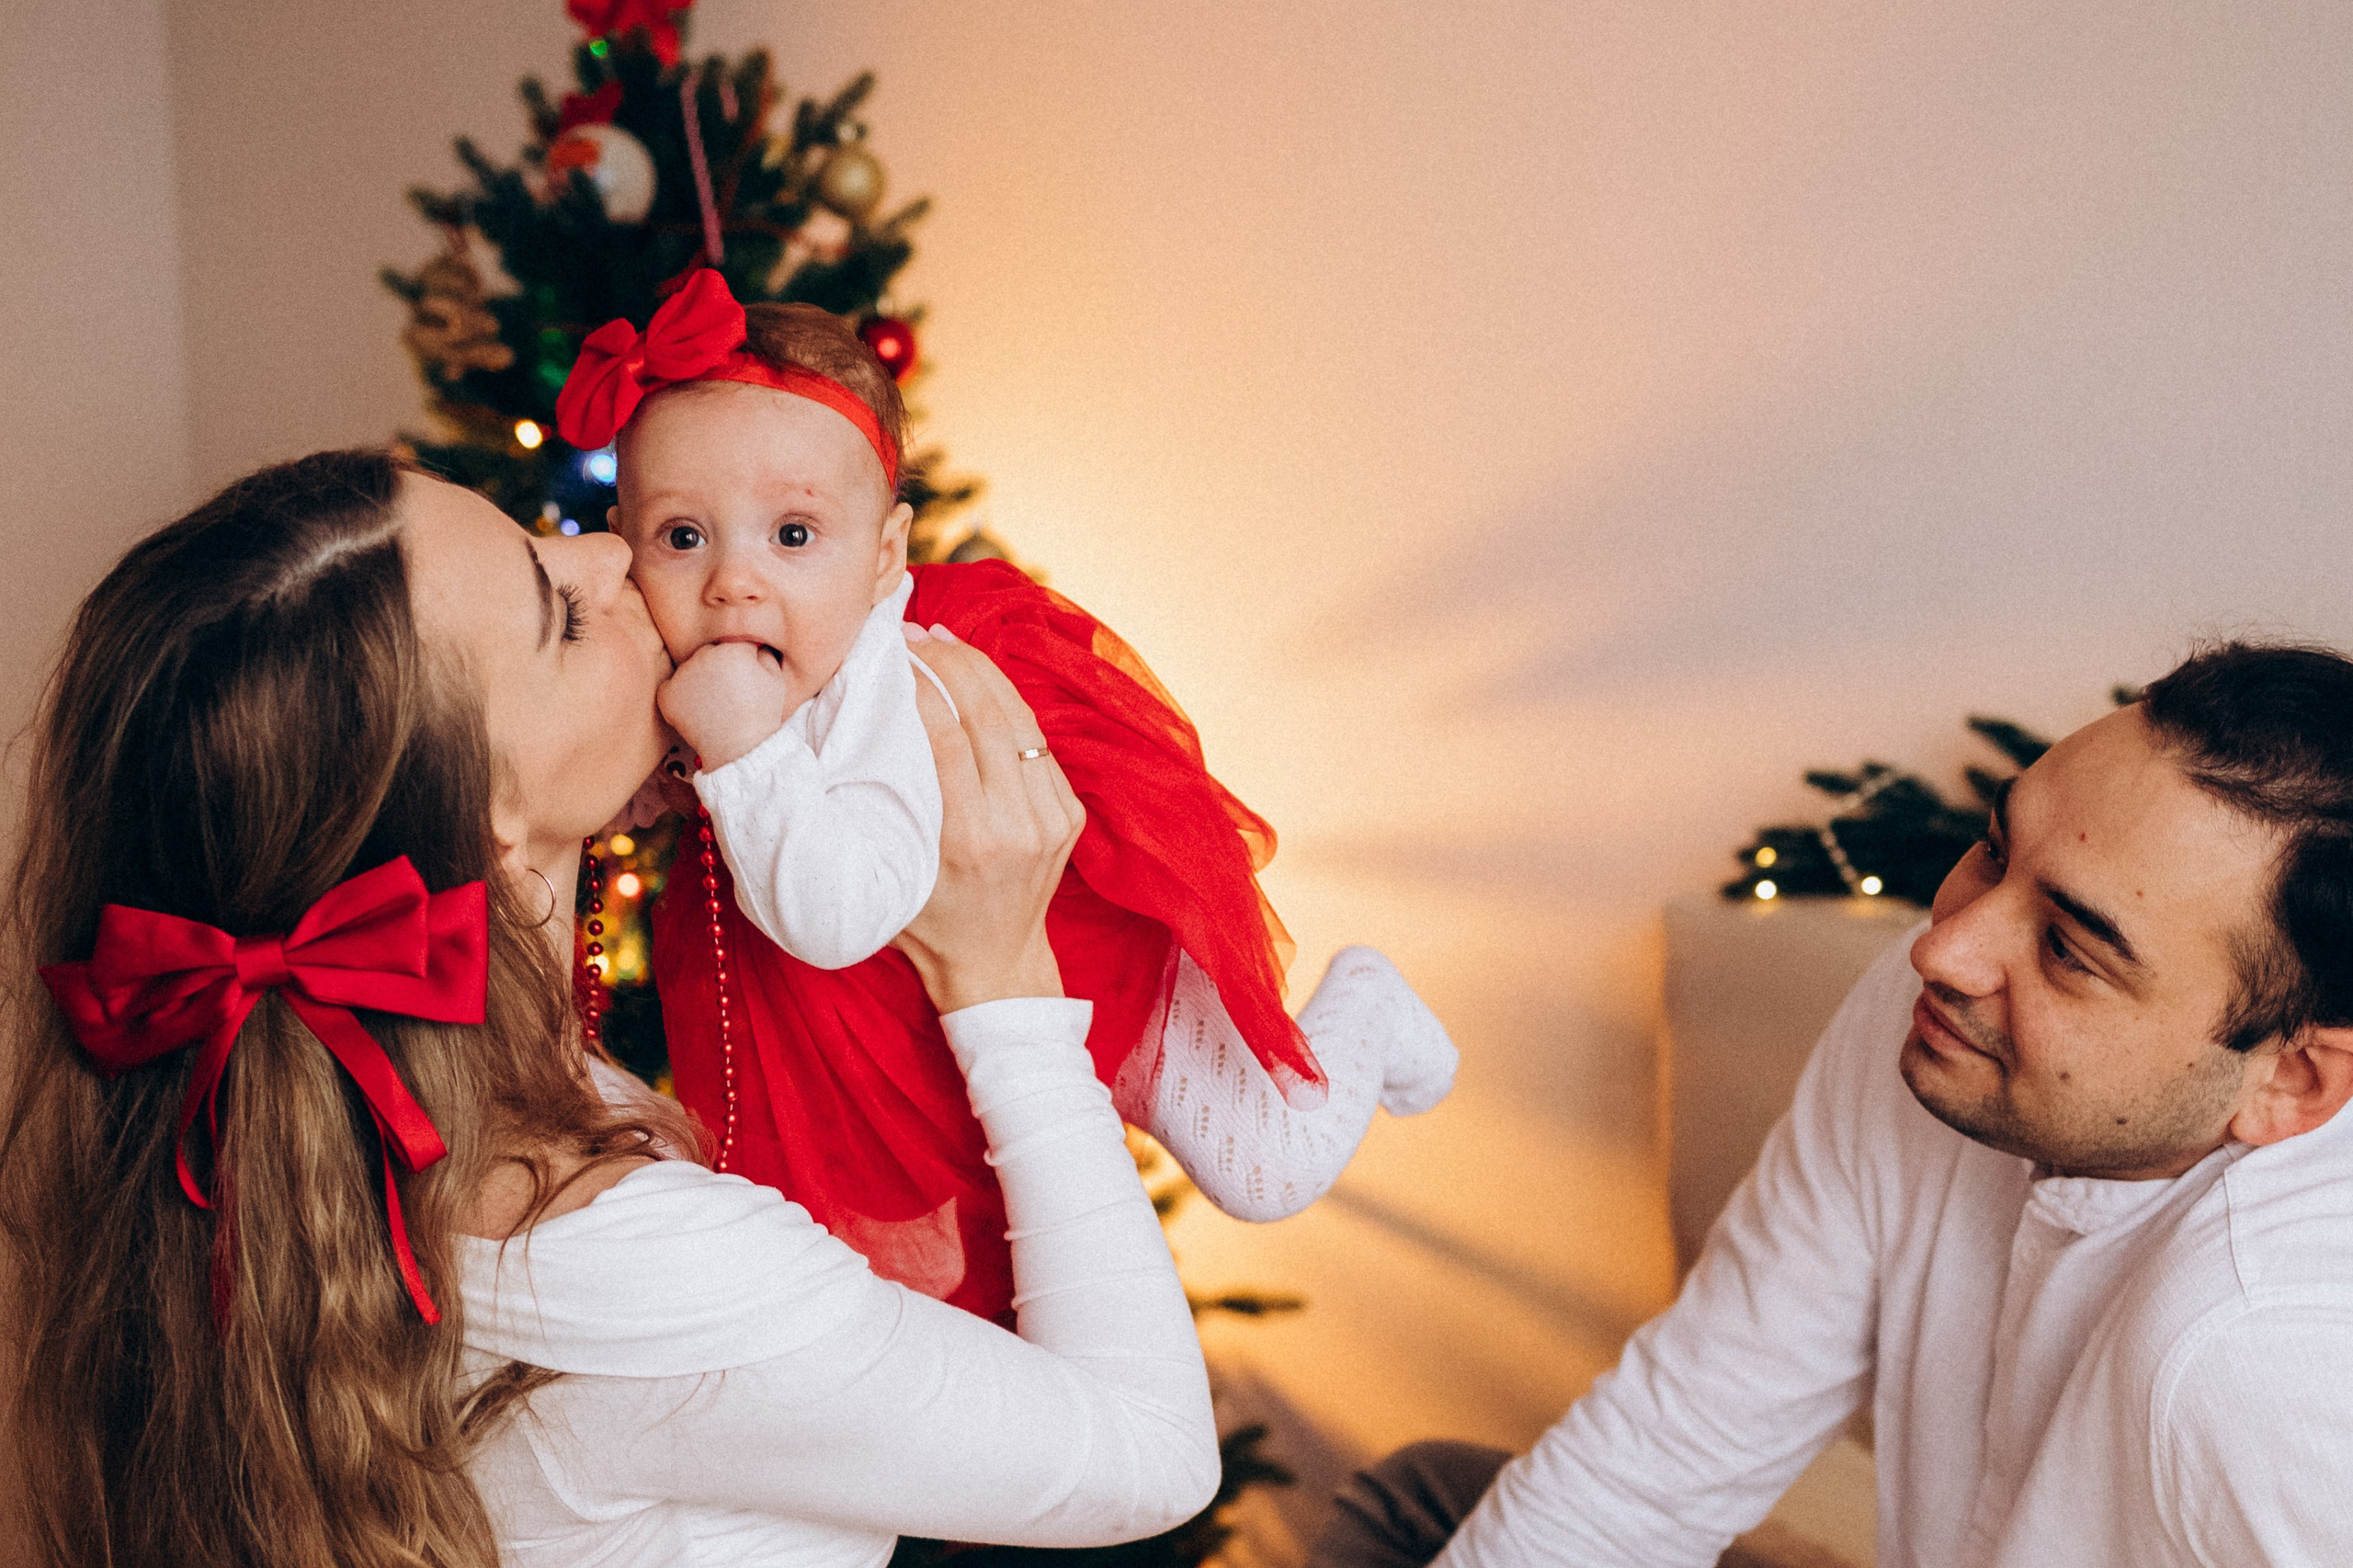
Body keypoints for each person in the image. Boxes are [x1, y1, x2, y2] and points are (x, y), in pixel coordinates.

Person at [0, 449, 1219, 1568]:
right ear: (485, 816)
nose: (613, 552)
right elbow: (1149, 1452)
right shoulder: (645, 1274)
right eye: (562, 612)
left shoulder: (283, 1143)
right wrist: (1002, 975)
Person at [1310, 642, 2353, 1568]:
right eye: (1995, 847)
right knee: (1430, 1500)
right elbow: (1672, 1446)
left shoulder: (2271, 1357)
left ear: (2294, 1080)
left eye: (2069, 948)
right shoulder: (1939, 1026)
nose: (1943, 947)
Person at [558, 267, 1458, 1319]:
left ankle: (1369, 1002)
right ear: (623, 543)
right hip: (921, 1018)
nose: (732, 582)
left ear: (885, 556)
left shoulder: (902, 692)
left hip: (1093, 971)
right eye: (683, 536)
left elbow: (838, 914)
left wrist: (743, 749)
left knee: (1270, 1167)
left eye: (792, 535)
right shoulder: (723, 677)